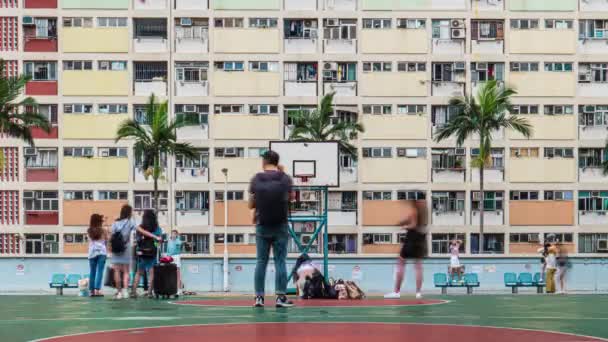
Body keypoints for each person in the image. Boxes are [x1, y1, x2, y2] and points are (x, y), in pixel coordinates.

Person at [249, 150, 294, 308]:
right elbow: (292, 198)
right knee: (280, 261)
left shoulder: (256, 179)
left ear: (264, 162)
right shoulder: (285, 178)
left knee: (261, 261)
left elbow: (250, 204)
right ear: (277, 161)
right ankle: (280, 297)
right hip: (280, 225)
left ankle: (259, 298)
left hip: (262, 225)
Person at [384, 200, 427, 300]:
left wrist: (404, 226)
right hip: (420, 239)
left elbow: (413, 225)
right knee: (418, 265)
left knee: (401, 261)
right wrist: (401, 222)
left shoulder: (414, 212)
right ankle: (418, 293)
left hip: (412, 238)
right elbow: (411, 221)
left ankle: (396, 292)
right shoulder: (423, 213)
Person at [132, 209, 163, 298]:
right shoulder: (157, 228)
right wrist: (155, 243)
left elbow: (137, 240)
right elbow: (159, 242)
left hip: (141, 253)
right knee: (151, 273)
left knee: (138, 272)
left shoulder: (140, 227)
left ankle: (133, 292)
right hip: (152, 253)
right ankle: (149, 293)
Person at [111, 204, 136, 300]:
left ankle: (119, 292)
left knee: (116, 271)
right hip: (126, 248)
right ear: (129, 212)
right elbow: (137, 228)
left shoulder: (115, 223)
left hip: (116, 249)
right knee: (126, 271)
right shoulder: (130, 222)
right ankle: (126, 291)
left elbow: (111, 236)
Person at [87, 213, 107, 297]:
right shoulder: (103, 230)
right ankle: (97, 290)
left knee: (92, 272)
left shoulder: (89, 230)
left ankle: (91, 291)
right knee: (100, 271)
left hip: (92, 253)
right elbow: (106, 240)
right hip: (102, 252)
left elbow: (90, 240)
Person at [166, 229, 183, 295]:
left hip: (176, 257)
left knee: (178, 274)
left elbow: (180, 243)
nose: (173, 235)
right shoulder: (169, 241)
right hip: (170, 258)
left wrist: (176, 239)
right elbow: (167, 250)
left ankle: (179, 290)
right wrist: (167, 256)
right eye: (172, 234)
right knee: (171, 275)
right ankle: (179, 288)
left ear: (176, 235)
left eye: (174, 234)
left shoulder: (178, 241)